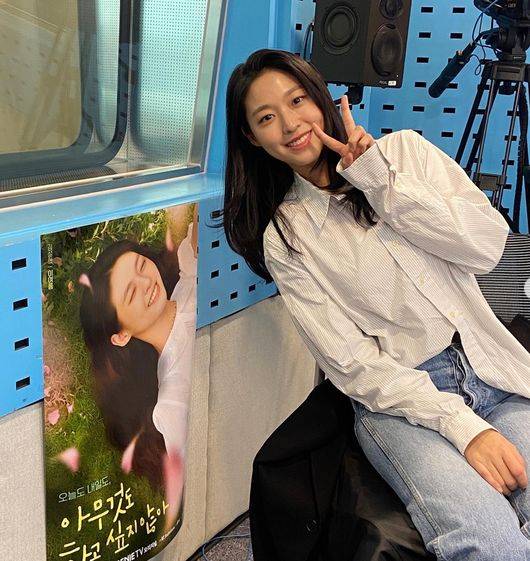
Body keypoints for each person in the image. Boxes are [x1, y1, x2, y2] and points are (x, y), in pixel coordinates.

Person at [221, 48, 530, 561]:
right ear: (252, 138)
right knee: (492, 543)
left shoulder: (406, 155)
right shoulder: (288, 236)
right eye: (267, 118)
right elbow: (353, 364)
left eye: (297, 101)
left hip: (493, 367)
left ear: (320, 99)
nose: (291, 125)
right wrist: (464, 427)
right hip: (400, 400)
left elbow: (485, 246)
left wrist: (379, 181)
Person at [80, 213, 197, 489]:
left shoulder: (189, 268)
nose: (146, 282)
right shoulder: (172, 397)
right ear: (121, 336)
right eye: (131, 293)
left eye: (141, 265)